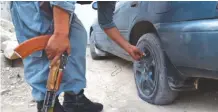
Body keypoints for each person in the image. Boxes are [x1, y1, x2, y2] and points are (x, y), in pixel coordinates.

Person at [10, 1, 143, 112]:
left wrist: (128, 47)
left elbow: (106, 22)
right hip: (32, 6)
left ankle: (75, 99)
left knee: (77, 38)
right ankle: (48, 105)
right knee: (46, 50)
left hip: (63, 7)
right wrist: (60, 34)